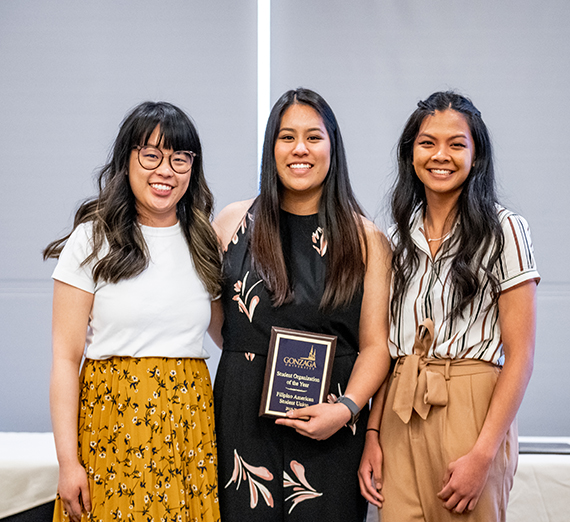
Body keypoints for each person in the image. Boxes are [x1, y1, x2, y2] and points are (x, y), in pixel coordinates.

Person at [209, 88, 392, 521]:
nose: (300, 149)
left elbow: (376, 347)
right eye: (286, 137)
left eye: (313, 137)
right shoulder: (231, 223)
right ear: (271, 148)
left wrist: (346, 408)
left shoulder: (368, 240)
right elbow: (220, 326)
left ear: (333, 146)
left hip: (333, 427)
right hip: (241, 419)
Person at [358, 91, 540, 522]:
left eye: (456, 144)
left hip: (472, 412)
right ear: (411, 154)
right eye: (427, 143)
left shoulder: (505, 231)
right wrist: (372, 435)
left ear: (476, 156)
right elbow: (387, 350)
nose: (441, 155)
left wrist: (483, 454)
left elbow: (521, 355)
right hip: (400, 411)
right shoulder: (393, 240)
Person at [44, 101, 222, 522]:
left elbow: (228, 337)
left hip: (188, 428)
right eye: (151, 155)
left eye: (180, 158)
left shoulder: (204, 242)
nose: (166, 170)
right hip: (113, 423)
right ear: (127, 160)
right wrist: (68, 463)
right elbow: (65, 360)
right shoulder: (92, 239)